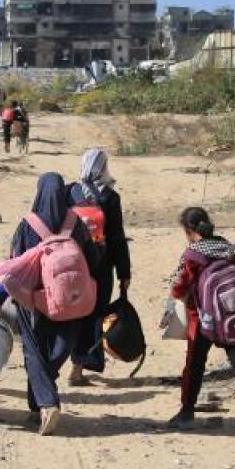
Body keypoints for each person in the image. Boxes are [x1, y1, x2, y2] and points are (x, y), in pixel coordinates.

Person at [0, 173, 102, 435]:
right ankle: (36, 405)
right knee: (59, 350)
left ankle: (46, 403)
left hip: (34, 300)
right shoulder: (76, 222)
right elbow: (94, 260)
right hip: (72, 299)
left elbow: (16, 267)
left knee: (34, 352)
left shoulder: (29, 224)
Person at [166, 207, 235, 434]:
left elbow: (179, 287)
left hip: (202, 319)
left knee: (195, 363)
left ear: (188, 231)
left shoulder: (192, 255)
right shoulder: (225, 248)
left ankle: (186, 413)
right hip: (230, 316)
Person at [66, 148, 132, 386]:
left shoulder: (70, 191)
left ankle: (67, 360)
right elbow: (116, 237)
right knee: (94, 313)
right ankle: (79, 365)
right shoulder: (110, 197)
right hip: (101, 266)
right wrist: (124, 272)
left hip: (71, 264)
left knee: (71, 310)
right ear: (103, 167)